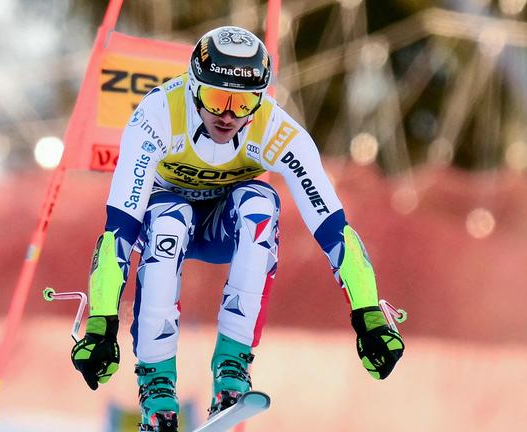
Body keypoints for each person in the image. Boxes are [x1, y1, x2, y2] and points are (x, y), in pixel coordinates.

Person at [70, 25, 405, 431]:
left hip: (222, 230)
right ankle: (156, 386)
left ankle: (232, 365)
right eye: (217, 99)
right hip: (161, 225)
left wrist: (368, 313)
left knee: (259, 203)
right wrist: (102, 322)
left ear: (260, 99)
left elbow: (333, 226)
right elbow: (119, 231)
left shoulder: (275, 130)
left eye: (244, 102)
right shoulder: (157, 117)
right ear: (194, 88)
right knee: (171, 218)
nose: (229, 115)